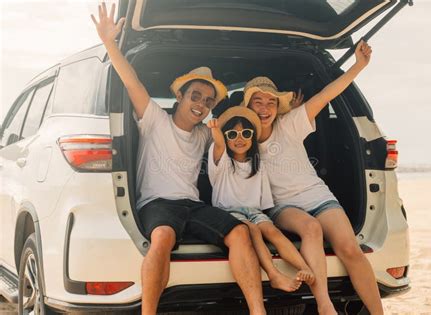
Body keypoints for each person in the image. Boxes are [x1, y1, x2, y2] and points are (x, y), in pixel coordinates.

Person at [91, 4, 266, 315]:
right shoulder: (155, 119)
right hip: (158, 203)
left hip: (193, 205)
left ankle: (257, 310)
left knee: (239, 232)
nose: (201, 104)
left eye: (208, 100)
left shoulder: (204, 133)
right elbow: (132, 82)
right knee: (162, 237)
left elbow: (246, 130)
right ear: (180, 98)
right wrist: (109, 43)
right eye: (195, 96)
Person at [243, 41, 384, 315]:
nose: (264, 107)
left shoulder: (290, 124)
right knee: (311, 229)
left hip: (319, 197)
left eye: (270, 101)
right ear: (247, 105)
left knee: (350, 249)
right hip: (283, 206)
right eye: (257, 101)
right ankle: (324, 304)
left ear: (277, 106)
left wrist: (357, 67)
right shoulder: (241, 137)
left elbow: (326, 94)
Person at [207, 107, 316, 292]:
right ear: (225, 138)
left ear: (253, 137)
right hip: (228, 212)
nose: (239, 138)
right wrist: (216, 130)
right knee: (253, 230)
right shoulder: (223, 161)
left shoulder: (258, 164)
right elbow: (218, 144)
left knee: (273, 232)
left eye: (246, 133)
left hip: (255, 212)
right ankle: (274, 275)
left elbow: (264, 201)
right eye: (232, 134)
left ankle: (304, 267)